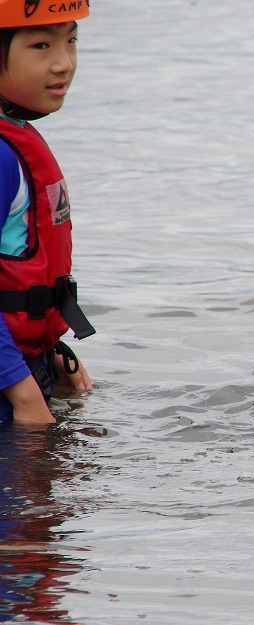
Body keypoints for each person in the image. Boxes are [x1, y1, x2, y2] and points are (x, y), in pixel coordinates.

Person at [0, 2, 94, 425]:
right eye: (40, 45)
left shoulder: (15, 134)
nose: (64, 64)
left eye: (71, 41)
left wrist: (52, 350)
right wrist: (23, 395)